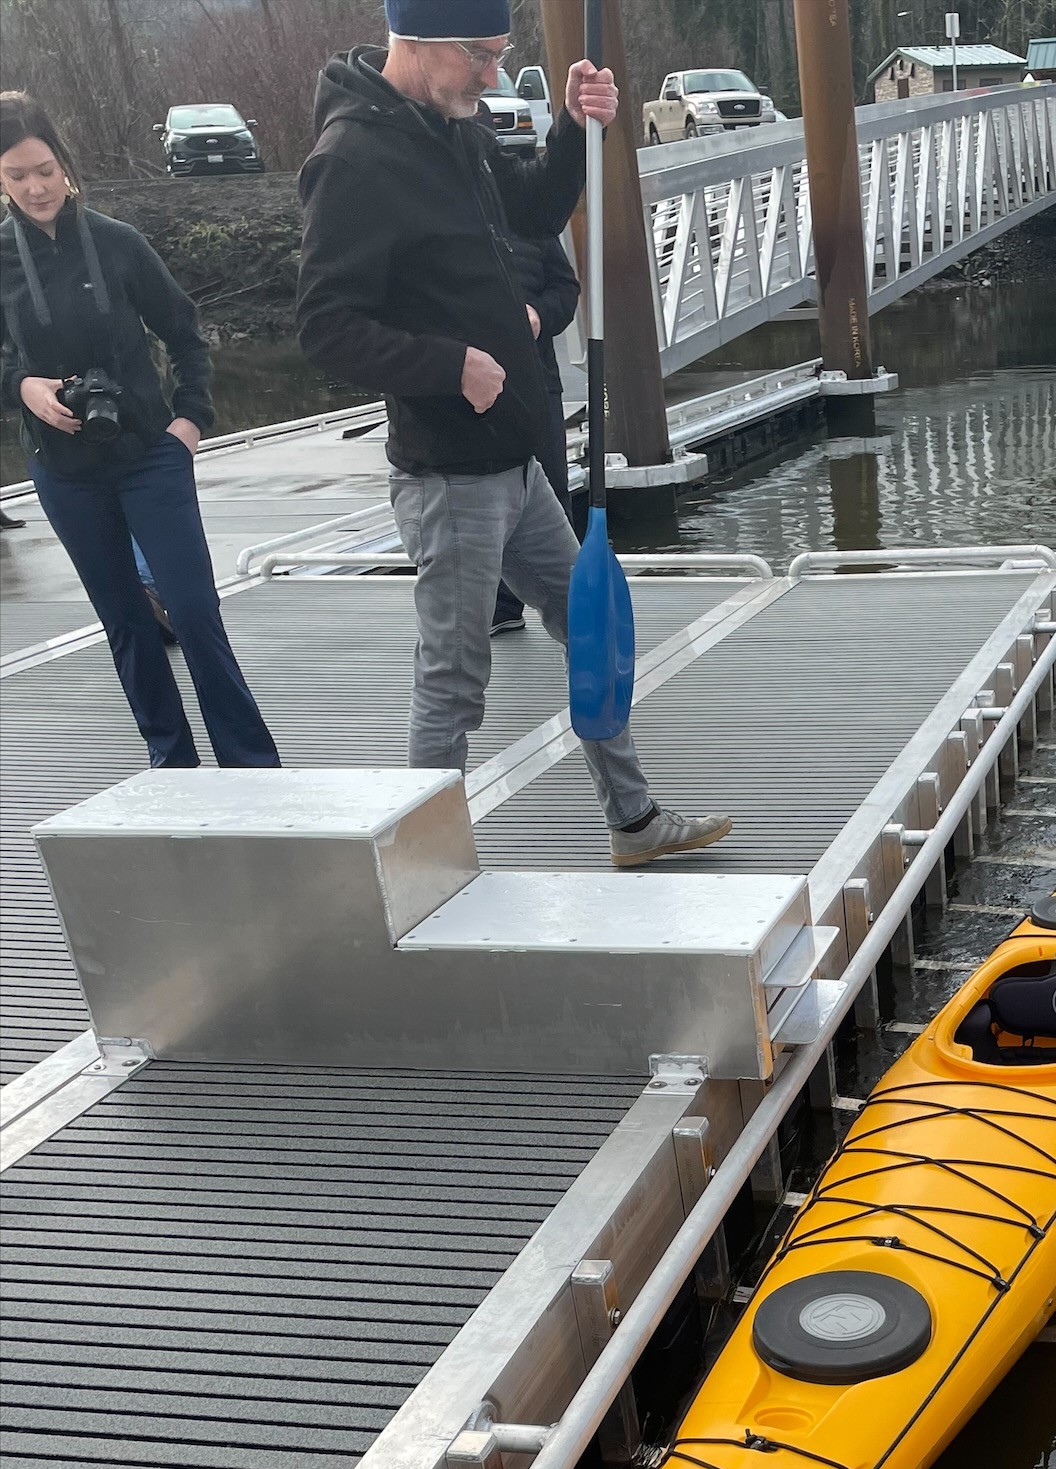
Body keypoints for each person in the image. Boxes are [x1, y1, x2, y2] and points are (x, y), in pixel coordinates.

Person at [295, 0, 728, 868]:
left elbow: (532, 215)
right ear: (418, 43)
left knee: (591, 627)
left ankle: (632, 823)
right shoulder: (354, 157)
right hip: (448, 475)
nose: (494, 76)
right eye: (481, 57)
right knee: (454, 683)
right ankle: (422, 868)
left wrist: (572, 126)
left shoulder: (455, 124)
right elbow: (323, 328)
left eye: (501, 56)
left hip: (519, 462)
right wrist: (449, 364)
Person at [0, 91, 279, 769]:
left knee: (192, 612)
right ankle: (171, 764)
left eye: (45, 169)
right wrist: (23, 386)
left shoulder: (119, 244)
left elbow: (186, 337)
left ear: (65, 165)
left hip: (150, 455)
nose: (36, 187)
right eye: (17, 174)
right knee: (125, 622)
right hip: (64, 473)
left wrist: (190, 421)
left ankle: (252, 766)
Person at [490, 226, 580, 634]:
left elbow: (566, 288)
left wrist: (539, 316)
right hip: (469, 387)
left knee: (551, 491)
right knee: (486, 494)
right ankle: (500, 607)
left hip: (537, 381)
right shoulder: (437, 206)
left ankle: (575, 609)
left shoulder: (527, 213)